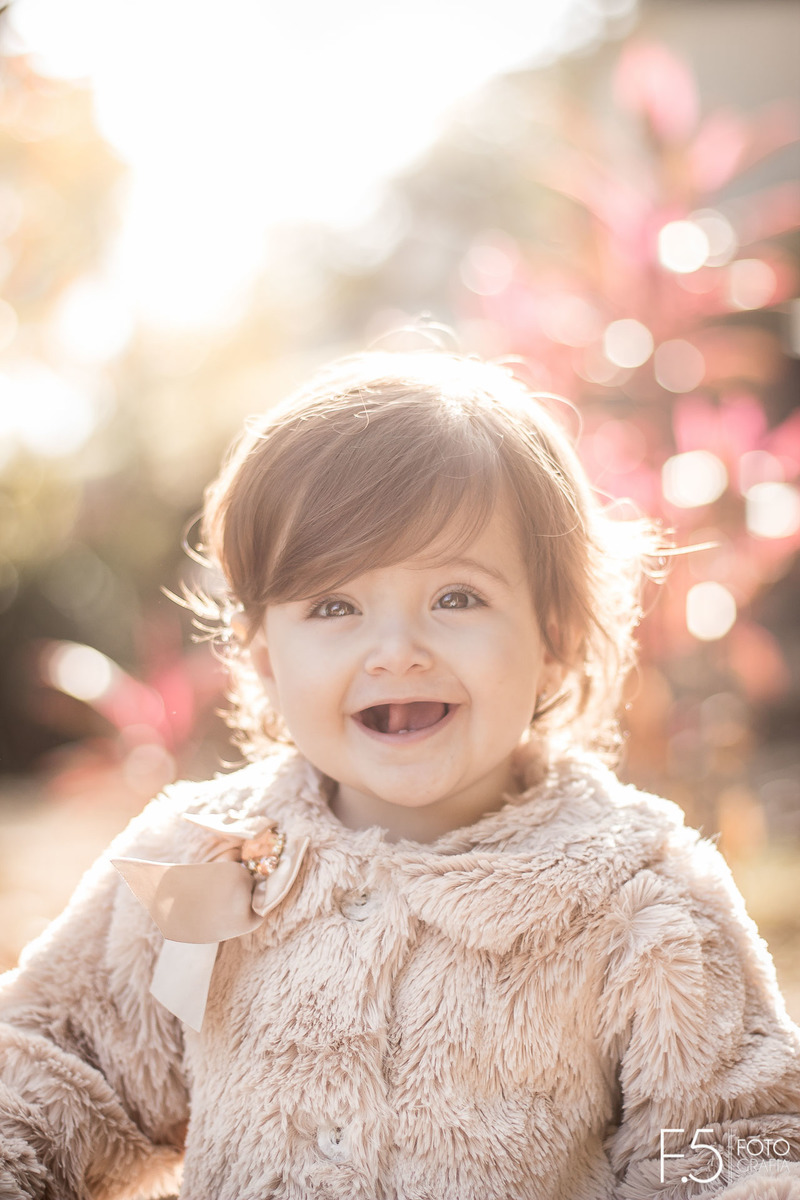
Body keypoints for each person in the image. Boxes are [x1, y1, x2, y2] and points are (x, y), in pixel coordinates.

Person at [1, 349, 798, 1200]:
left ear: (555, 633)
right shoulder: (199, 857)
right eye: (334, 607)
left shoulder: (641, 898)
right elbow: (57, 1065)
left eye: (456, 596)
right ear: (265, 658)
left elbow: (738, 1140)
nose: (396, 652)